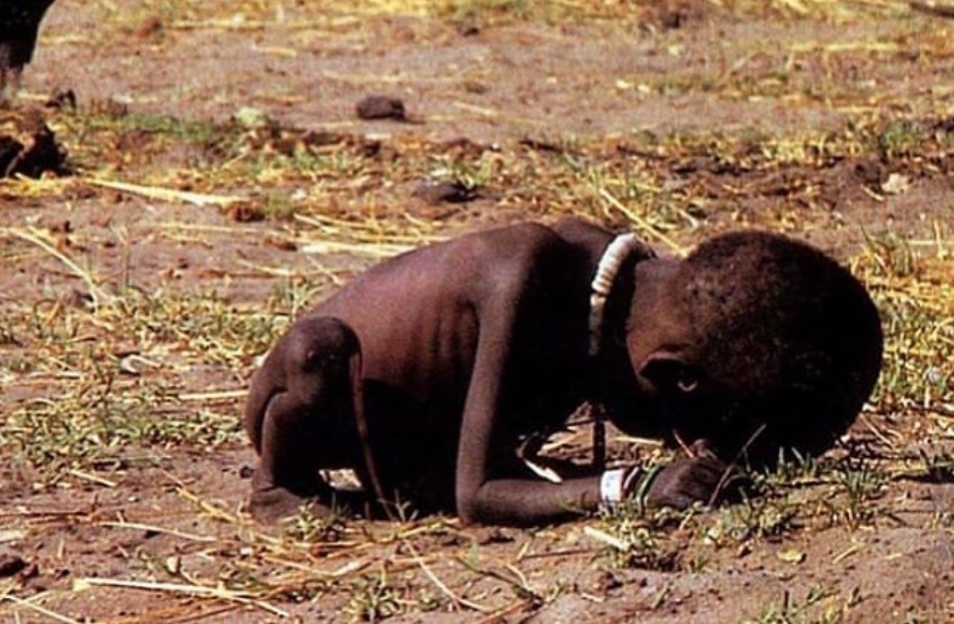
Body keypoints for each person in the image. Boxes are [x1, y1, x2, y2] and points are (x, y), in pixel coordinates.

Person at [245, 218, 882, 526]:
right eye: (689, 433)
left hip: (419, 435)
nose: (687, 448)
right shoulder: (523, 280)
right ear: (671, 378)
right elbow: (477, 496)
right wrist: (628, 487)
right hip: (323, 398)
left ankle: (408, 477)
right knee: (315, 355)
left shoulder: (623, 298)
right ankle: (280, 487)